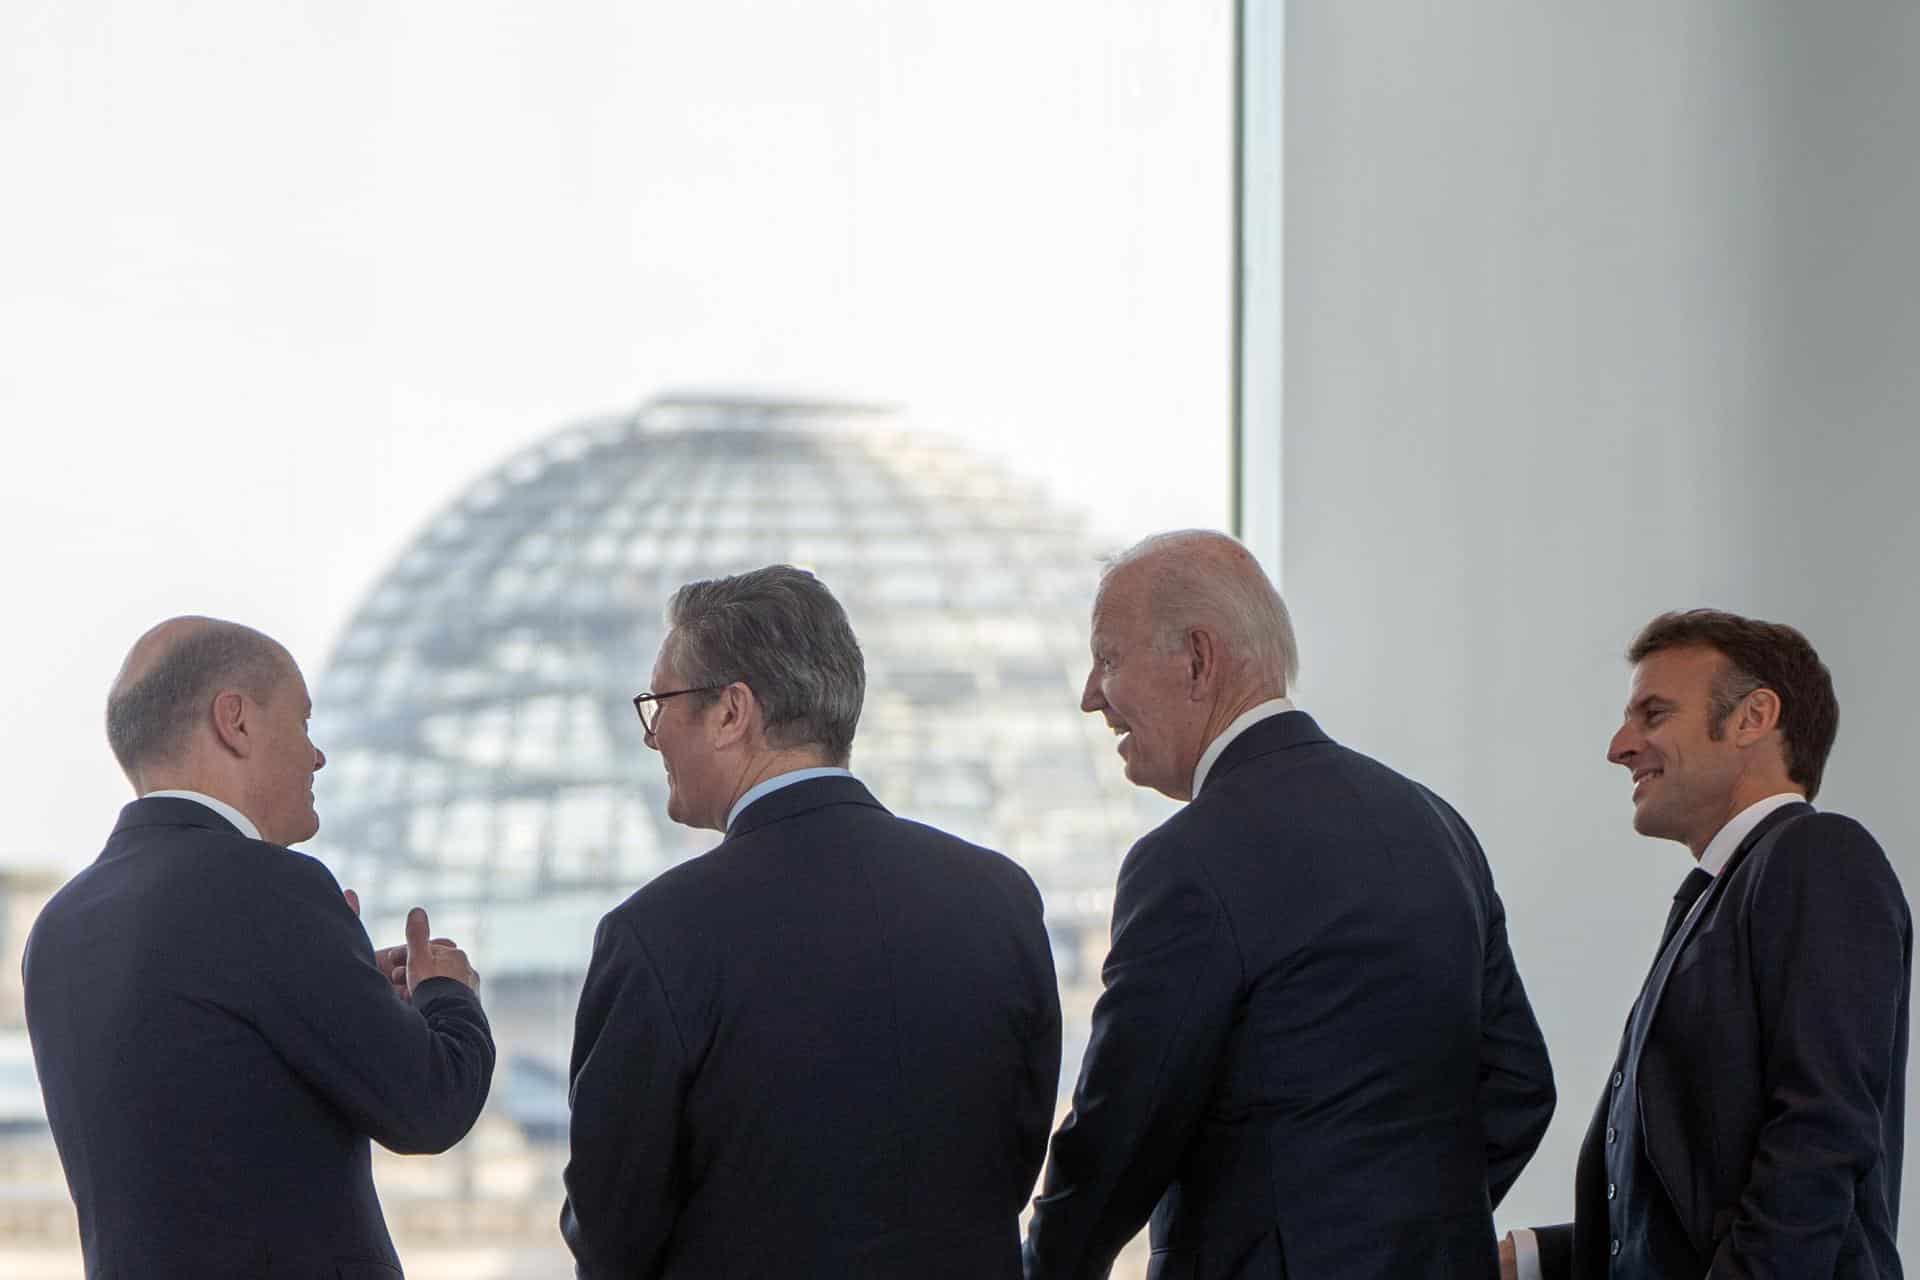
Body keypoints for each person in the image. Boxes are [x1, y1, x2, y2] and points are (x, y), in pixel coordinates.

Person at [1023, 530, 1555, 1280]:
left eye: (1108, 658)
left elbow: (1124, 1132)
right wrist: (1408, 1237)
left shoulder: (1190, 859)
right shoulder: (1434, 824)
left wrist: (1045, 1267)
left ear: (1199, 660)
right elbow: (1520, 1084)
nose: (1089, 695)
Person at [560, 565, 1061, 1279]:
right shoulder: (1001, 899)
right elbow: (1013, 1160)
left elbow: (612, 1232)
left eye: (661, 702)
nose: (652, 736)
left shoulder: (656, 935)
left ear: (734, 712)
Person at [23, 616, 494, 1280]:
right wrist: (446, 992)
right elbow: (430, 1107)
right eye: (303, 723)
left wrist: (351, 983)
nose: (317, 755)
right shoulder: (275, 890)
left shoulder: (59, 925)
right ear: (235, 722)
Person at [1501, 610, 1909, 1279]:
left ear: (1753, 718)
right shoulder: (1731, 887)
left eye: (1653, 714)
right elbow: (1692, 1207)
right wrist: (1529, 1259)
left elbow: (1818, 1140)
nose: (1619, 746)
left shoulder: (1816, 855)